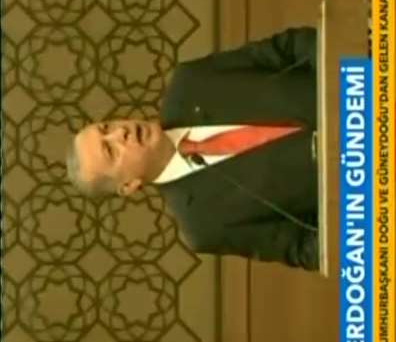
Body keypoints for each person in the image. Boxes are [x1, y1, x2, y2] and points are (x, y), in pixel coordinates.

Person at [67, 27, 320, 270]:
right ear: (129, 186)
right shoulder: (203, 226)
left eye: (106, 127)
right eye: (110, 150)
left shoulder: (190, 81)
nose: (120, 132)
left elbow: (287, 48)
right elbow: (305, 247)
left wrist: (342, 67)